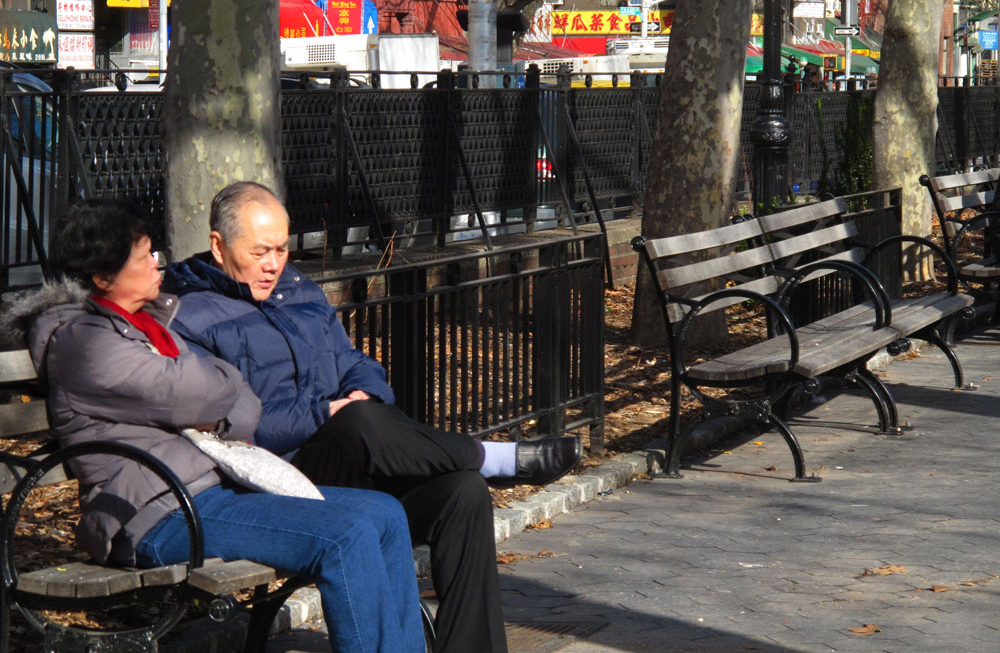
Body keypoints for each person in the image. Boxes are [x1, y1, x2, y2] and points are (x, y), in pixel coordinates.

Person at [163, 181, 584, 653]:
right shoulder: (189, 317)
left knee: (462, 494)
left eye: (282, 249)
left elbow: (354, 361)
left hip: (351, 460)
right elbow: (233, 426)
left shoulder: (297, 291)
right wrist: (326, 411)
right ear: (219, 246)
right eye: (260, 251)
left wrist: (364, 390)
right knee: (356, 421)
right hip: (275, 479)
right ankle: (486, 455)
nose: (273, 264)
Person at [12, 201, 423, 653]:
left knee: (384, 514)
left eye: (154, 252)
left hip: (205, 491)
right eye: (144, 256)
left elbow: (246, 408)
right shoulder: (84, 342)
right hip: (157, 513)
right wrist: (222, 386)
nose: (157, 264)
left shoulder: (147, 327)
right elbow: (209, 392)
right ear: (102, 278)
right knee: (345, 535)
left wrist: (215, 394)